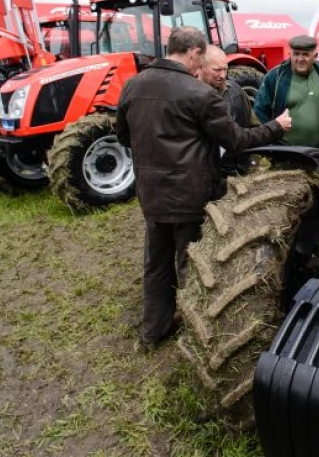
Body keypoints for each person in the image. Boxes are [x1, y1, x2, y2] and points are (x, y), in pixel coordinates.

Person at [116, 27, 293, 350]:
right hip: (190, 196)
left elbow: (123, 137)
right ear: (195, 53)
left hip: (151, 194)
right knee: (192, 265)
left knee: (155, 264)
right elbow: (237, 140)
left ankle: (152, 332)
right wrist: (275, 128)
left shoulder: (133, 85)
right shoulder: (198, 94)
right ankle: (195, 338)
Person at [253, 34, 319, 153]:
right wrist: (269, 144)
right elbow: (259, 112)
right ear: (289, 54)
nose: (300, 59)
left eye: (305, 54)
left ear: (315, 56)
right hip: (286, 153)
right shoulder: (275, 77)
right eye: (296, 54)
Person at [197, 45, 258, 175]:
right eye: (217, 70)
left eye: (225, 69)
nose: (223, 75)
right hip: (210, 177)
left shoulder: (236, 90)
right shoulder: (190, 98)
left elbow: (252, 125)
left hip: (241, 170)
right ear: (201, 67)